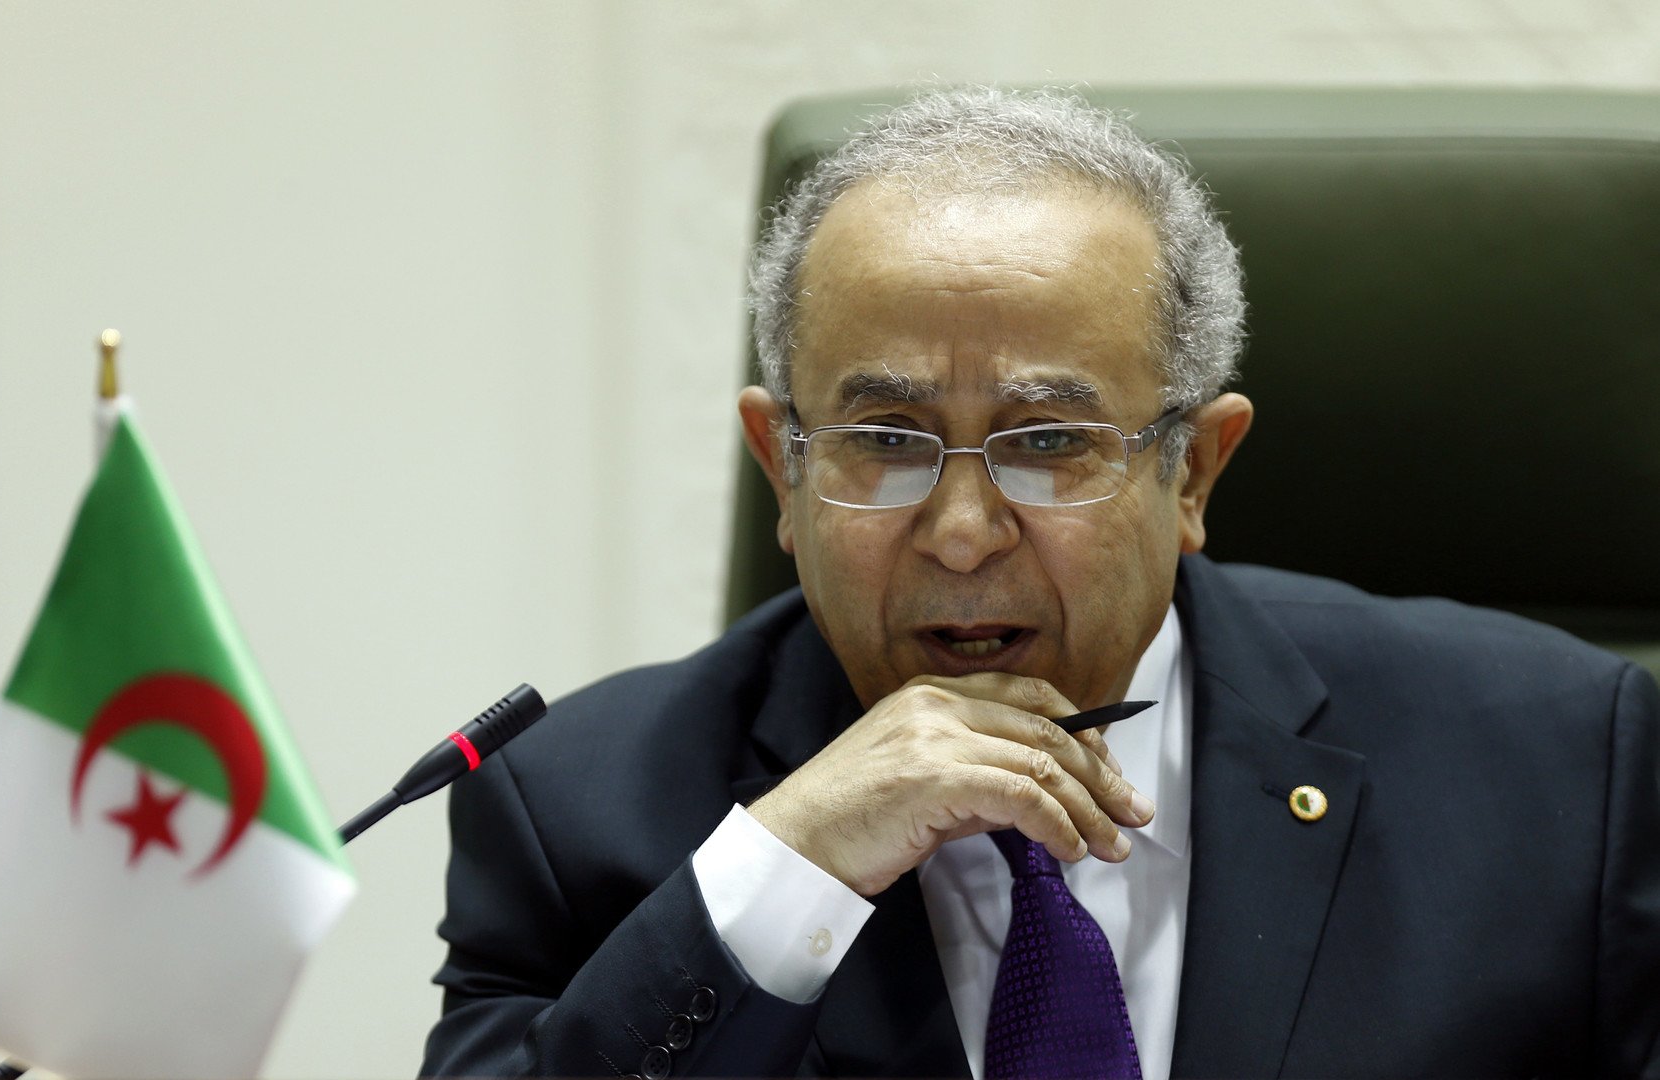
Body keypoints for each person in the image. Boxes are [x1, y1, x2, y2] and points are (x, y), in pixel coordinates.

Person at [420, 87, 1660, 1078]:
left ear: (1193, 471)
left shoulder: (1558, 770)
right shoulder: (578, 815)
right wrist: (788, 872)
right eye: (886, 440)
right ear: (781, 471)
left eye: (1051, 440)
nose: (962, 535)